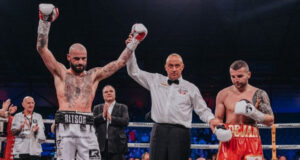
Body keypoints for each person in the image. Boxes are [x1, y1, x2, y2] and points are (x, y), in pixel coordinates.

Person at [36, 3, 147, 160]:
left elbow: (118, 63)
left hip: (87, 127)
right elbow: (42, 49)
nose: (80, 62)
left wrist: (134, 42)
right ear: (69, 57)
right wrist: (45, 21)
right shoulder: (60, 73)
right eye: (76, 59)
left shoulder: (93, 75)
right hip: (65, 126)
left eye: (83, 59)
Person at [126, 36, 219, 160]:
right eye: (171, 65)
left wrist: (211, 119)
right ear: (165, 67)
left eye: (177, 65)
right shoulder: (155, 80)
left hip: (180, 133)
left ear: (182, 67)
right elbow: (134, 71)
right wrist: (130, 49)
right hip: (158, 131)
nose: (174, 69)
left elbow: (202, 109)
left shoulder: (190, 88)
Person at [214, 60, 275, 160]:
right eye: (232, 77)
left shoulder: (259, 94)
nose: (236, 80)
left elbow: (271, 121)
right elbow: (218, 119)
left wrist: (253, 112)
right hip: (230, 139)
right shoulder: (223, 94)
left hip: (251, 139)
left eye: (239, 76)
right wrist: (218, 130)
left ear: (248, 74)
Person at [93, 85, 129, 160]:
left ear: (115, 93)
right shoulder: (97, 108)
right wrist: (102, 116)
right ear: (103, 95)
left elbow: (125, 121)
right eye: (106, 92)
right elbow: (93, 122)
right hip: (101, 145)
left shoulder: (122, 107)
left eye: (111, 91)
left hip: (117, 145)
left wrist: (111, 118)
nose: (108, 93)